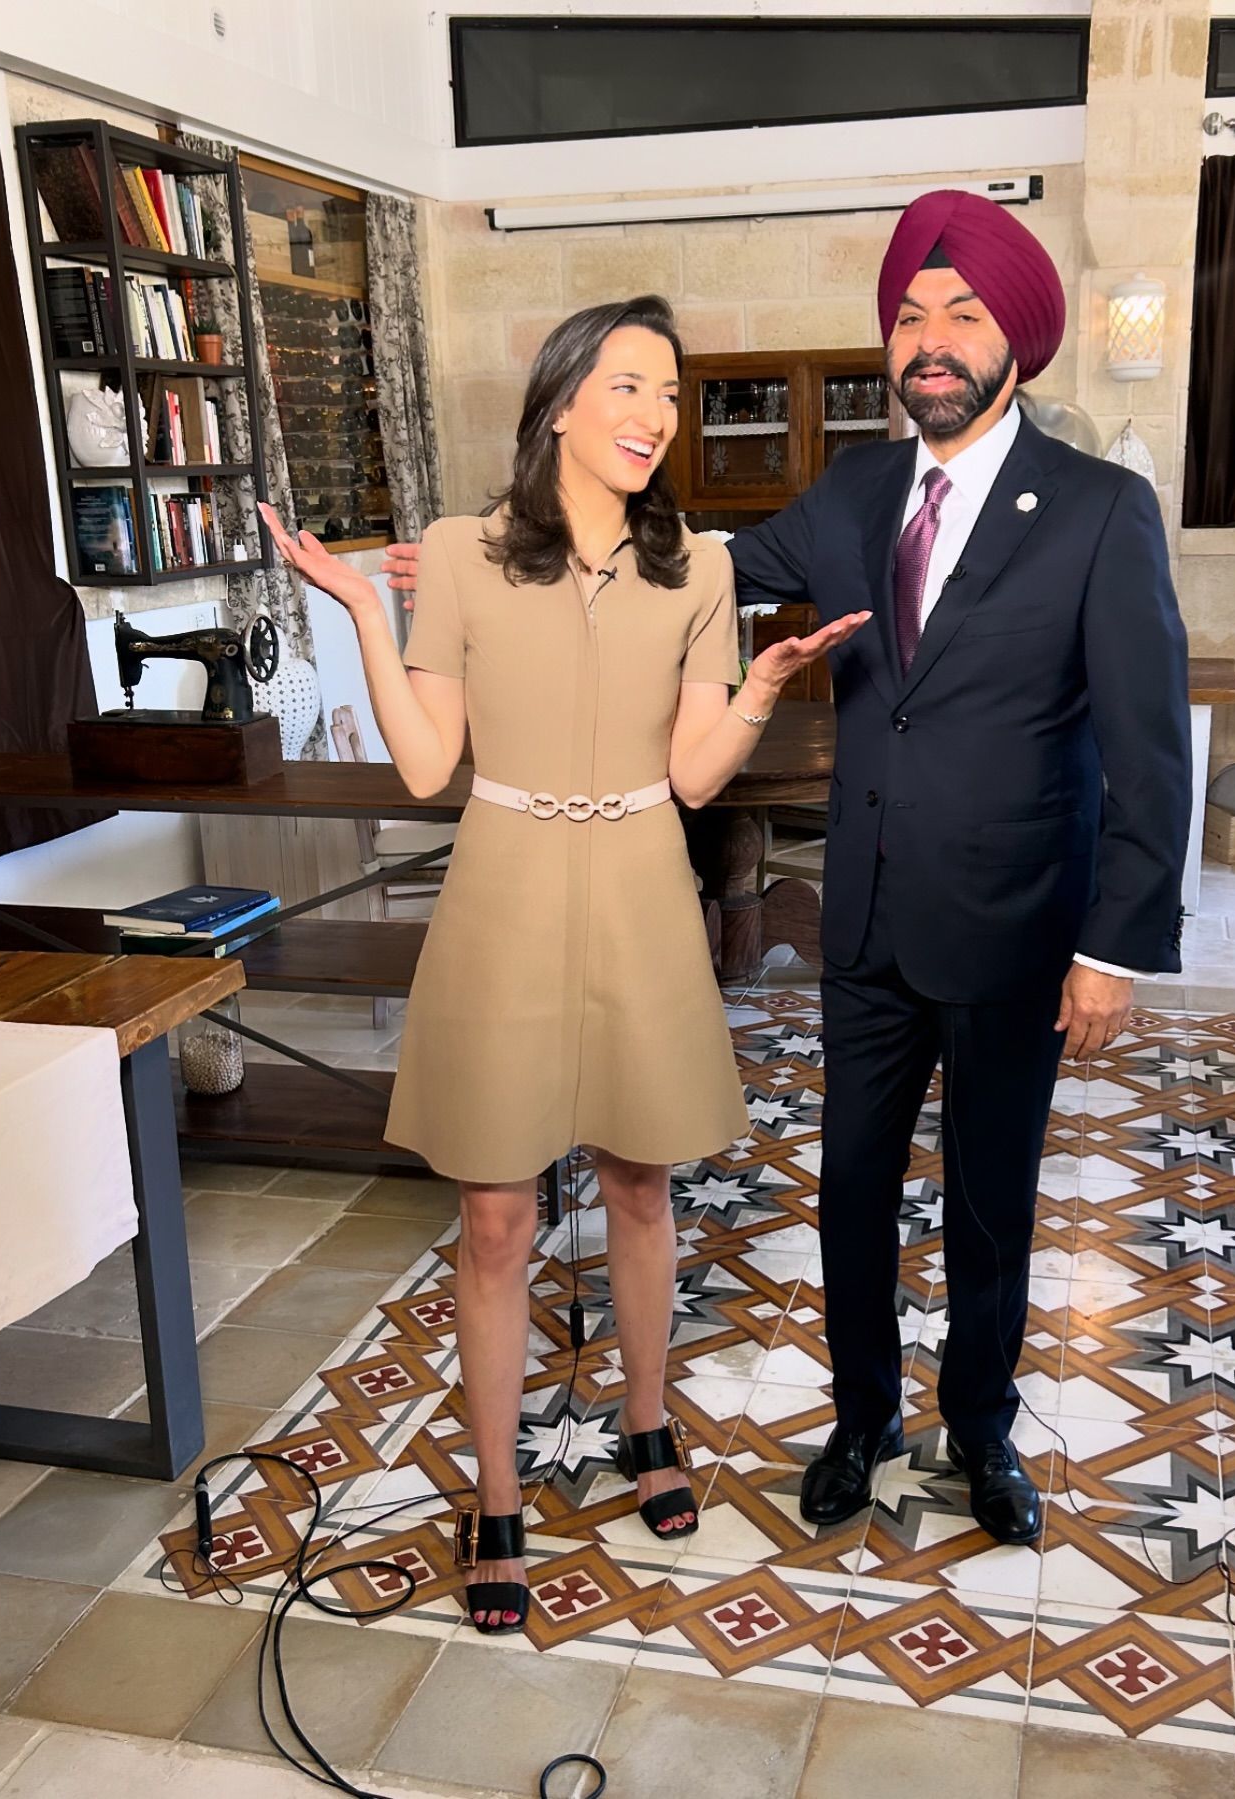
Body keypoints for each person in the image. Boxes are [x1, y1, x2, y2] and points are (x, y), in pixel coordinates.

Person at [259, 295, 867, 1634]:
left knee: (642, 1184)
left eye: (671, 394)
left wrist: (762, 689)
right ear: (560, 401)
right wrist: (362, 613)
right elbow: (428, 765)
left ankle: (650, 1422)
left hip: (642, 882)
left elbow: (695, 774)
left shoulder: (698, 569)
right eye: (630, 385)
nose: (656, 416)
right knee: (496, 1218)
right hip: (506, 888)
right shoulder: (459, 554)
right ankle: (495, 1496)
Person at [727, 191, 1192, 1543]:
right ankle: (861, 1415)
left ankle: (983, 1427)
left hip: (1015, 930)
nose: (930, 340)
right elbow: (707, 573)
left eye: (964, 315)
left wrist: (1112, 947)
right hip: (868, 925)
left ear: (1016, 340)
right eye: (910, 316)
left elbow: (1150, 752)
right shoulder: (852, 494)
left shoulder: (1100, 510)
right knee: (851, 1192)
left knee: (990, 1205)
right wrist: (537, 546)